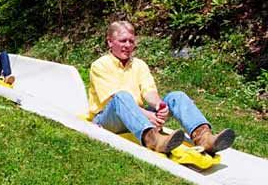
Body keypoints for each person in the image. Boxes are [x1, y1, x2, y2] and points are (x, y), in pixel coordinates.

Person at [88, 20, 235, 155]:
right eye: (122, 41)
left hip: (138, 116)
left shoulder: (139, 65)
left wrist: (160, 106)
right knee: (122, 96)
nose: (127, 45)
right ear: (110, 42)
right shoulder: (100, 65)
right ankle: (155, 140)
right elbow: (114, 100)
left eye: (131, 41)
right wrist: (147, 115)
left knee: (177, 96)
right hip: (108, 119)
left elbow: (149, 91)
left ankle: (204, 138)